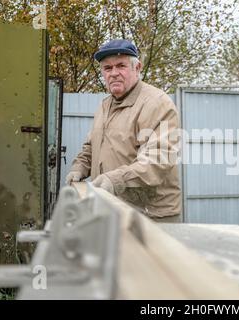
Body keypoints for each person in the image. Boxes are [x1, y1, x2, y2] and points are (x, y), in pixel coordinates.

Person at [65, 39, 182, 222]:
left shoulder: (157, 103)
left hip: (149, 216)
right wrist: (80, 167)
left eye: (121, 66)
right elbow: (92, 146)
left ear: (137, 68)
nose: (114, 73)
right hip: (111, 209)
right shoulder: (105, 106)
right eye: (107, 68)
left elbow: (158, 159)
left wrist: (116, 179)